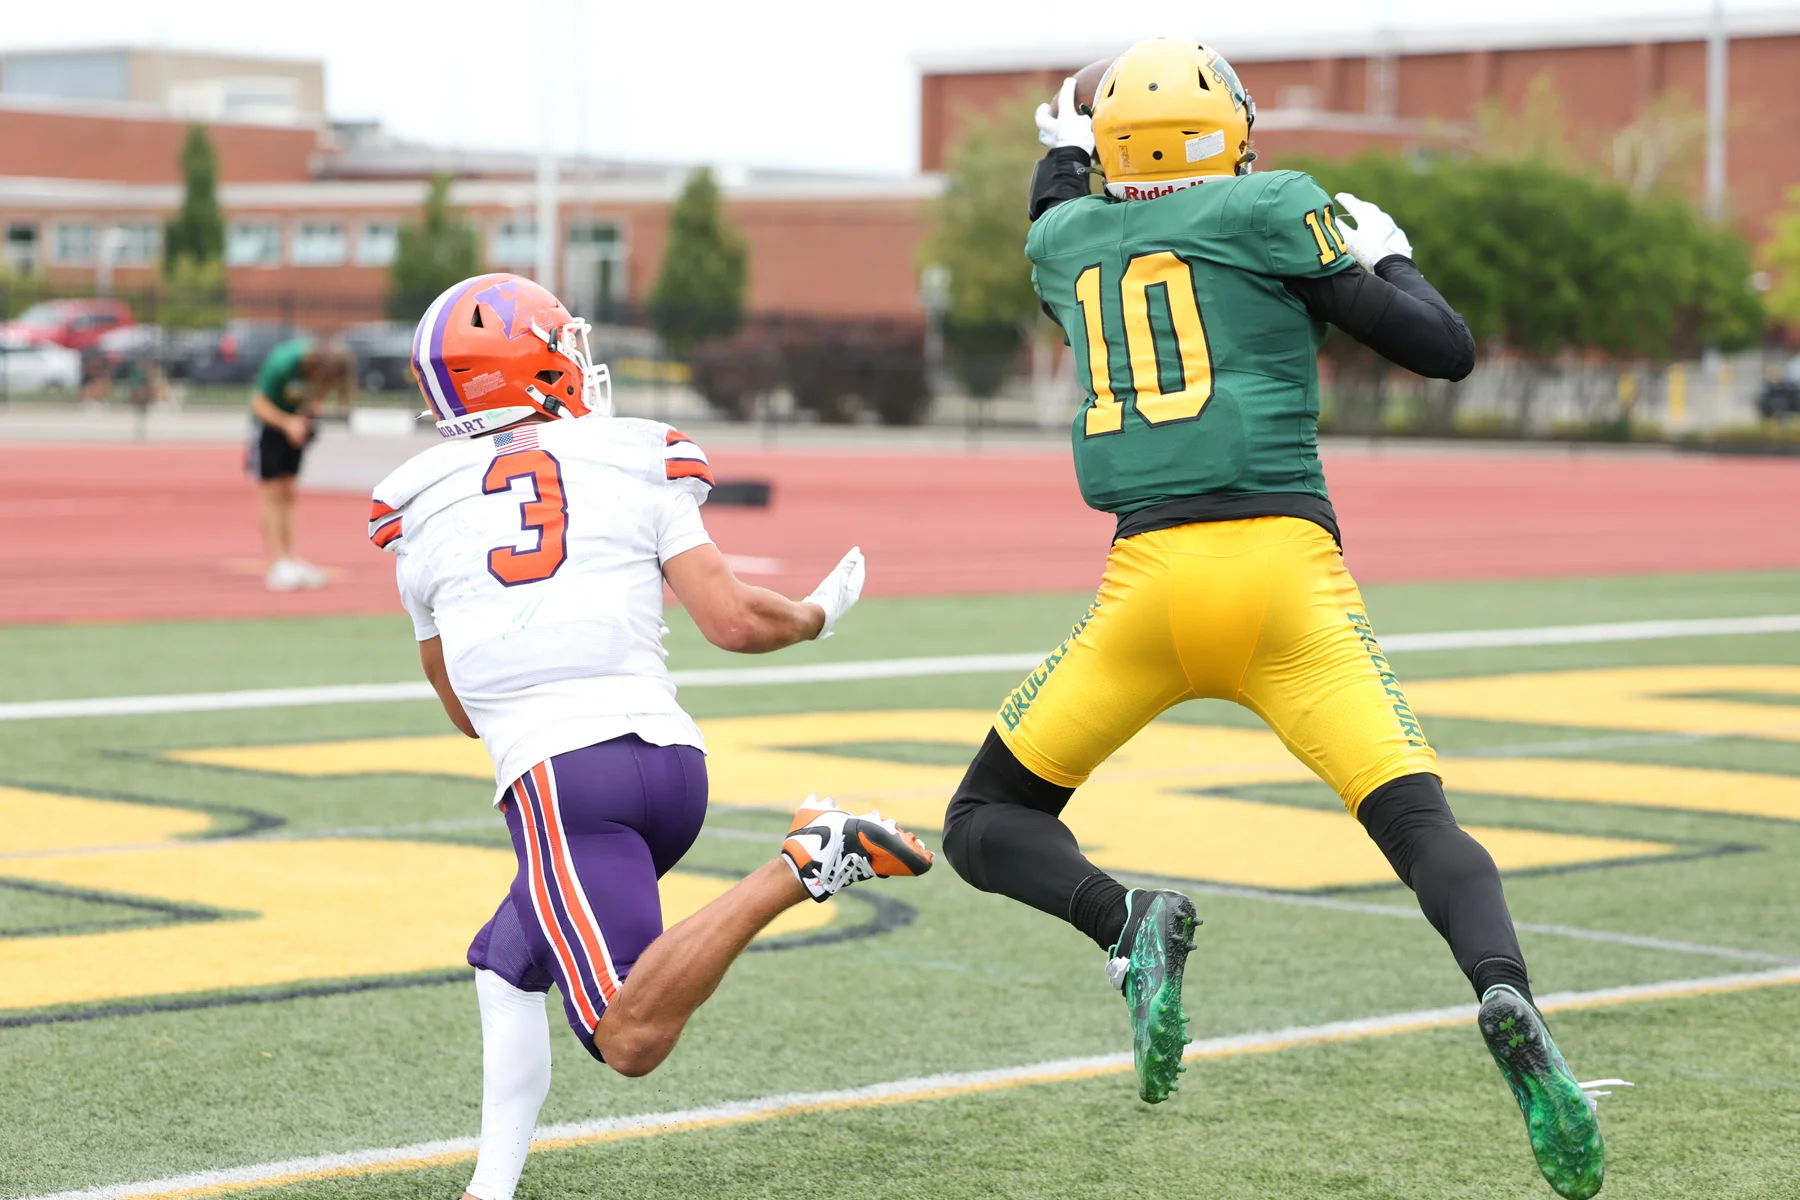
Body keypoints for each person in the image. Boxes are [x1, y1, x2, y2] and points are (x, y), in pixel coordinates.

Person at [937, 39, 1604, 1200]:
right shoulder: (1272, 209)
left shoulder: (1064, 239)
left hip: (1146, 588)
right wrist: (1391, 260)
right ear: (1232, 132)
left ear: (1105, 152)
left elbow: (1056, 200)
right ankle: (1504, 992)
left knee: (986, 817)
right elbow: (1442, 352)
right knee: (1418, 825)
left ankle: (1124, 919)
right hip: (1288, 580)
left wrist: (1063, 146)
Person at [370, 273, 933, 1200]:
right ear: (534, 366)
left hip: (563, 784)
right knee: (506, 961)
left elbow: (461, 710)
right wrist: (815, 617)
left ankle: (808, 860)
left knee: (626, 1037)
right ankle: (490, 1187)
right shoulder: (631, 457)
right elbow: (736, 622)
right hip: (671, 767)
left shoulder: (420, 511)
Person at [249, 335, 352, 591]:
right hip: (269, 426)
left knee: (289, 492)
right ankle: (276, 563)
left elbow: (316, 396)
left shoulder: (323, 372)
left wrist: (307, 418)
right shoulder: (284, 363)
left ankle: (290, 559)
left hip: (294, 425)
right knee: (270, 492)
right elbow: (257, 403)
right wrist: (287, 423)